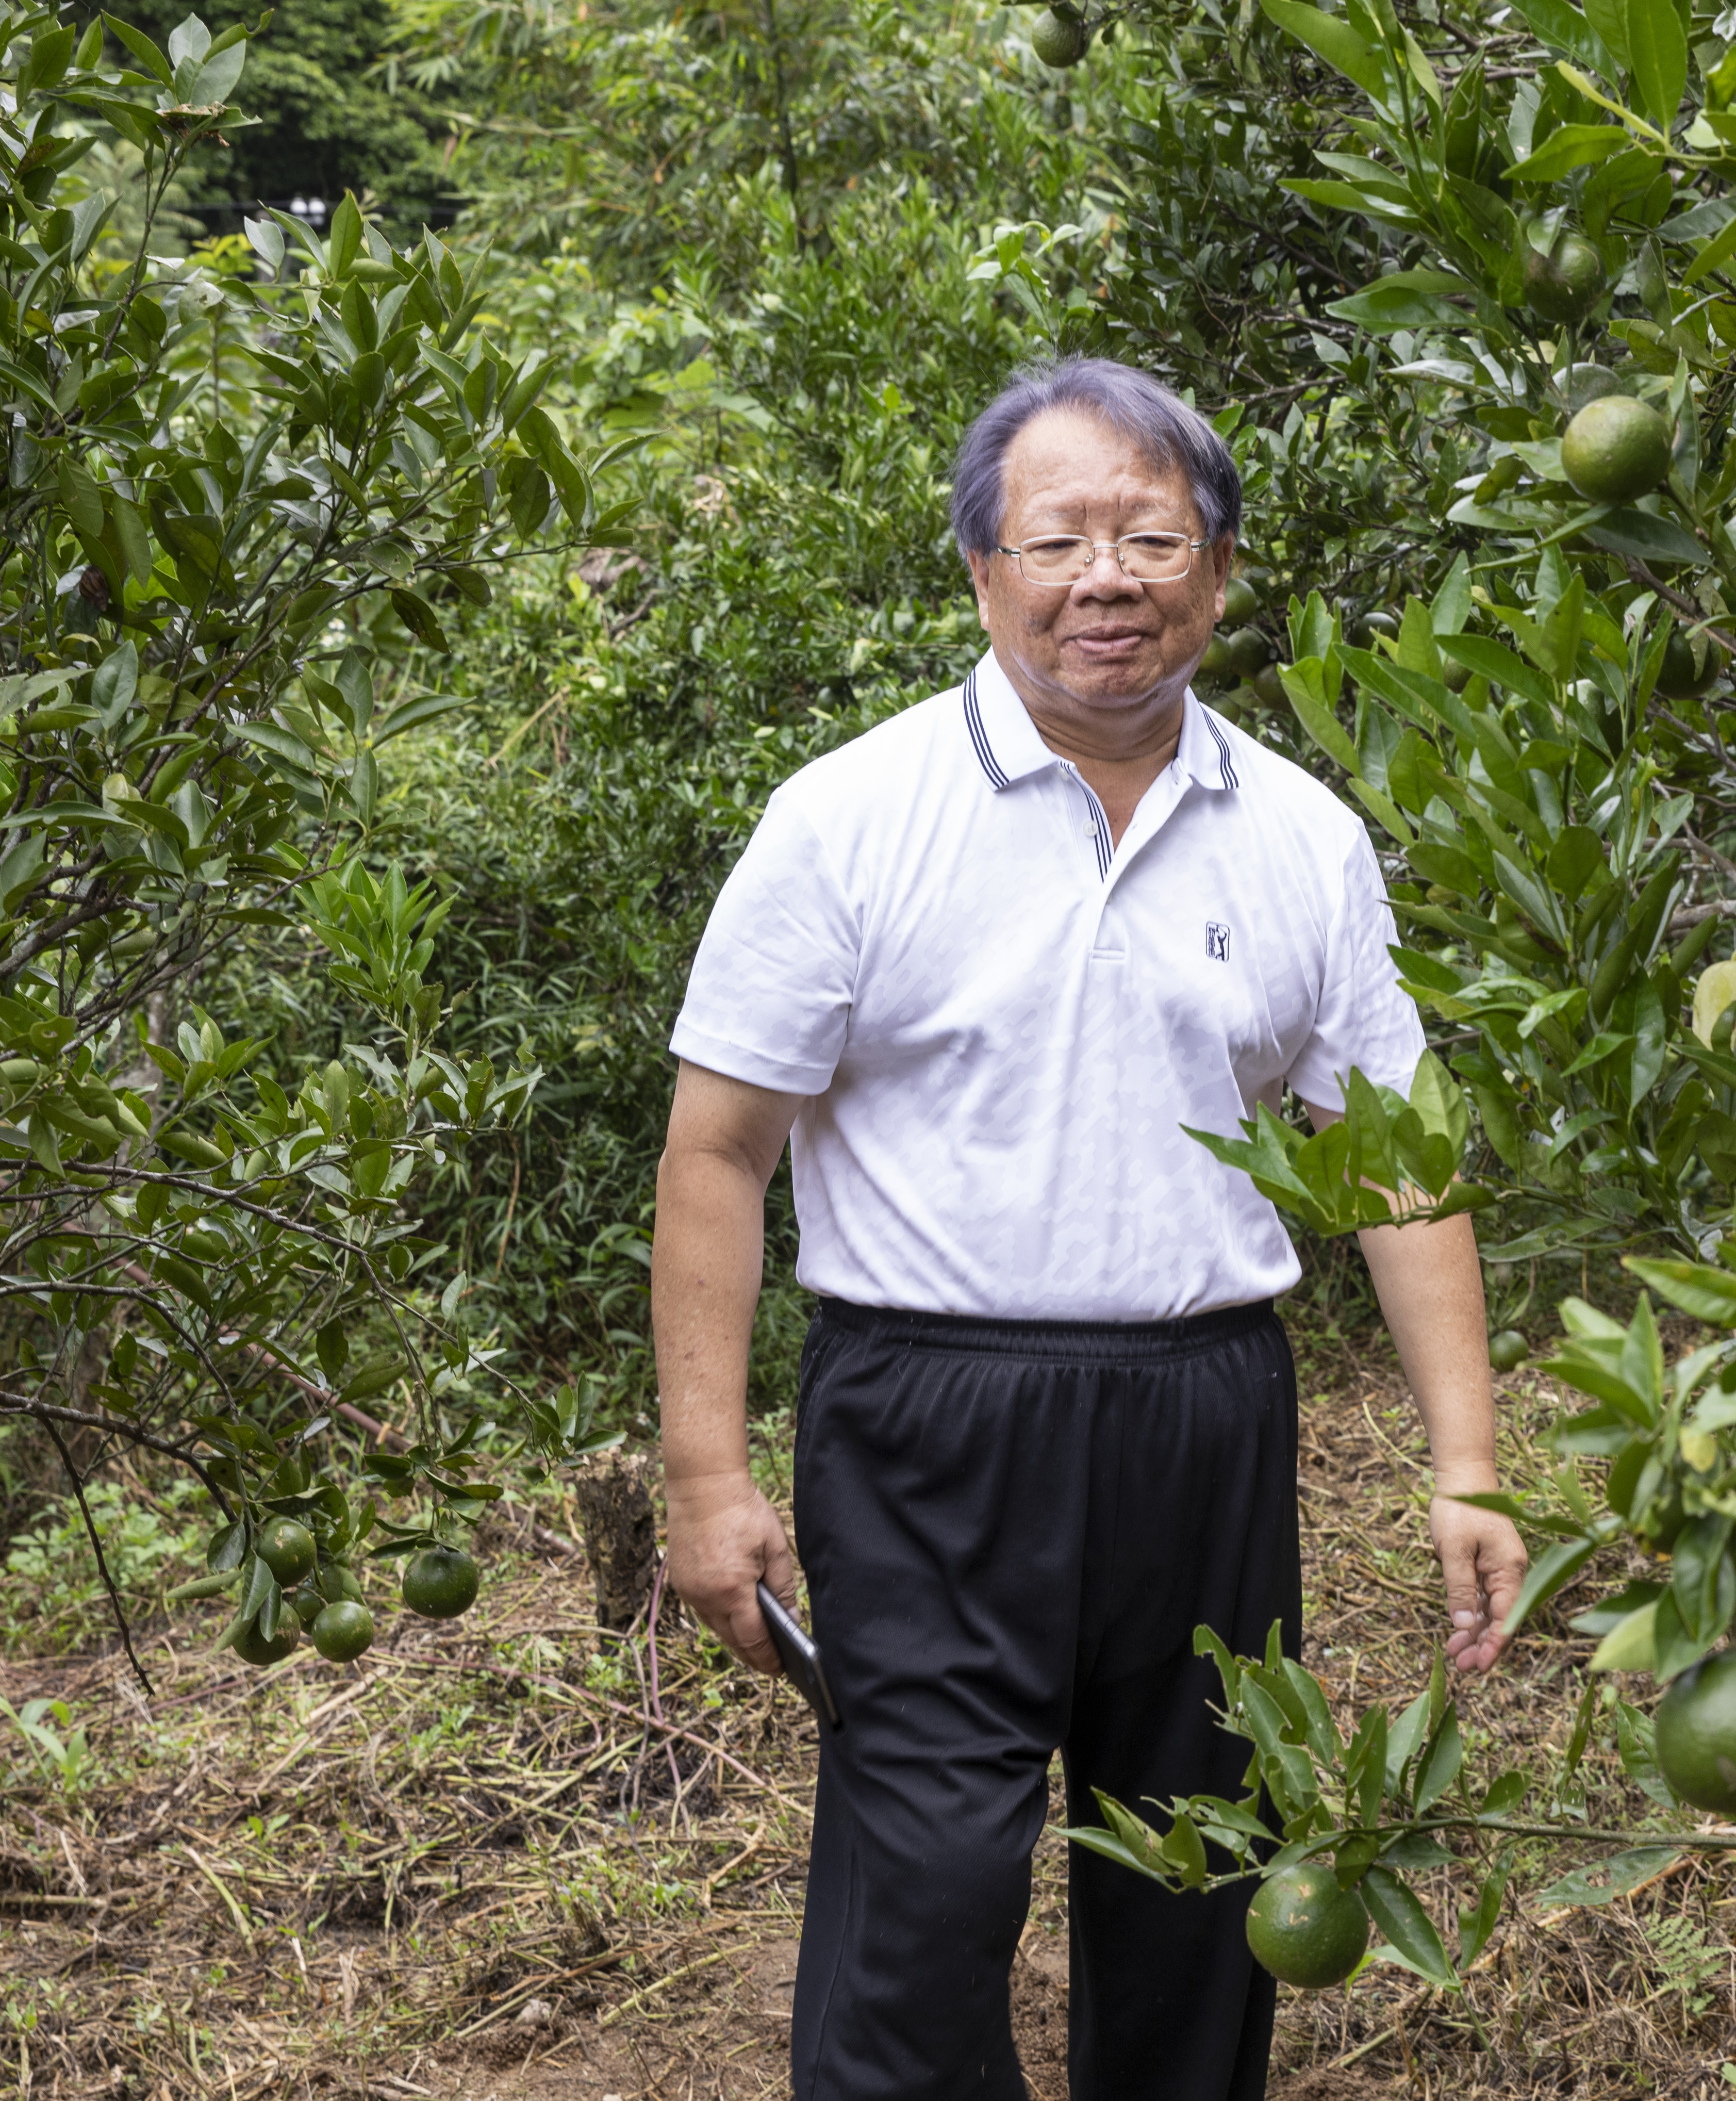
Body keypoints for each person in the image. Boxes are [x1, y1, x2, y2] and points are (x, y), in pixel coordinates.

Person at [649, 355, 1529, 2101]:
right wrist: (706, 1473)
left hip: (1204, 1419)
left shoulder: (1302, 836)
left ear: (1221, 569)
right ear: (984, 570)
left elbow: (1399, 1165)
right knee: (926, 1893)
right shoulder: (849, 818)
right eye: (1057, 541)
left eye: (1152, 538)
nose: (1105, 580)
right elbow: (718, 1153)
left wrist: (1470, 1464)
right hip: (925, 1426)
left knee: (1204, 1882)